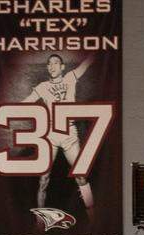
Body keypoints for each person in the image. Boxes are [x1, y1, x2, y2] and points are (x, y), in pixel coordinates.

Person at [22, 53, 96, 216]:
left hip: (69, 133)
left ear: (62, 67)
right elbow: (26, 102)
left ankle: (92, 216)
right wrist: (4, 110)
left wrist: (99, 52)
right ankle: (40, 220)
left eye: (56, 63)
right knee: (43, 179)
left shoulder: (70, 77)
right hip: (50, 135)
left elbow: (86, 64)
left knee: (81, 176)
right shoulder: (42, 86)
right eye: (49, 63)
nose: (52, 66)